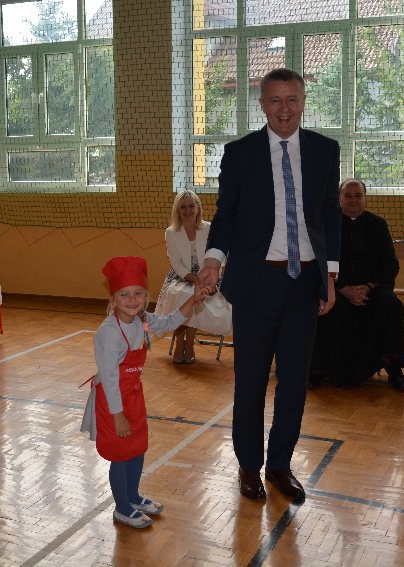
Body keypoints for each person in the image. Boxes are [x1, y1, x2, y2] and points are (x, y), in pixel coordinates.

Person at [198, 68, 341, 502]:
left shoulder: (324, 150)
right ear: (262, 104)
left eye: (292, 99)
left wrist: (330, 275)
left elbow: (329, 215)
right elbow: (226, 213)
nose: (284, 109)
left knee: (294, 383)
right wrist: (213, 260)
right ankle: (248, 466)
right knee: (251, 382)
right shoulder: (240, 153)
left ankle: (280, 464)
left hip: (304, 283)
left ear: (303, 102)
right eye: (275, 100)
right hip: (256, 283)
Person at [80, 256, 212, 528]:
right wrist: (118, 415)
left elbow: (168, 323)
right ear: (113, 298)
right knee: (121, 454)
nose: (132, 299)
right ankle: (122, 508)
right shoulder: (109, 334)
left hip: (133, 396)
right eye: (124, 294)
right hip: (113, 401)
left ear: (146, 296)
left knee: (137, 448)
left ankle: (134, 496)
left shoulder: (143, 321)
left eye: (138, 293)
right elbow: (110, 379)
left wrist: (193, 299)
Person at [310, 179, 404, 391]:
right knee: (322, 306)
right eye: (348, 195)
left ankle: (394, 369)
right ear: (339, 198)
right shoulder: (328, 224)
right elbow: (318, 259)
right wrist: (342, 288)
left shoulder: (378, 225)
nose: (353, 200)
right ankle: (318, 369)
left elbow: (390, 264)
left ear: (365, 198)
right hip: (336, 288)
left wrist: (368, 287)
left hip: (371, 290)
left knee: (392, 305)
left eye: (358, 195)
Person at [155, 190, 232, 364]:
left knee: (194, 296)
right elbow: (175, 263)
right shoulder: (171, 232)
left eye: (191, 206)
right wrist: (194, 279)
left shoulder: (209, 228)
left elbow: (221, 256)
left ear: (198, 208)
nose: (187, 210)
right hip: (181, 276)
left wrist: (207, 278)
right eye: (183, 207)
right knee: (179, 295)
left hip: (208, 277)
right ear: (177, 210)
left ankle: (189, 343)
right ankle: (179, 344)